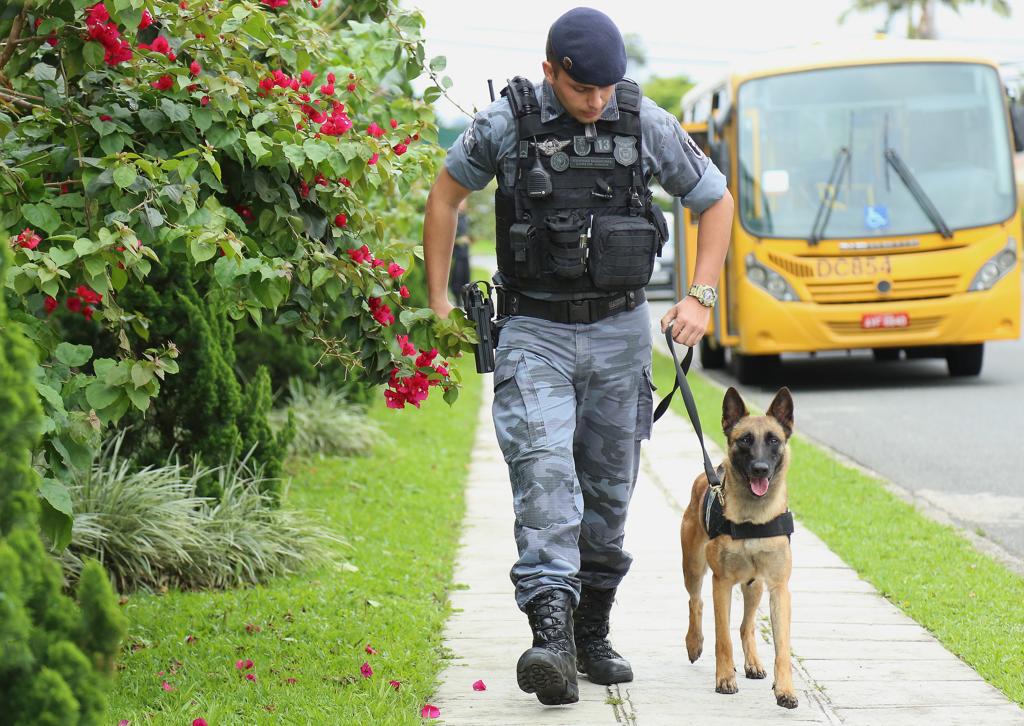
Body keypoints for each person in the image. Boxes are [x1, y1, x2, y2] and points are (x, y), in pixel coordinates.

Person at [422, 6, 733, 706]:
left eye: (605, 89)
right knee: (543, 472)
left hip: (621, 333)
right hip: (533, 329)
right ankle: (552, 640)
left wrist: (701, 296)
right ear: (549, 70)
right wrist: (441, 303)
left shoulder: (641, 120)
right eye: (580, 88)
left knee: (609, 490)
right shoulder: (511, 121)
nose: (595, 102)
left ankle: (593, 632)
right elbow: (445, 197)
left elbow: (714, 202)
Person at [448, 198, 472, 299]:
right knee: (457, 277)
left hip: (465, 253)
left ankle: (464, 298)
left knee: (465, 276)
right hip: (456, 254)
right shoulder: (453, 217)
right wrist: (459, 240)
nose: (463, 204)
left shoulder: (465, 217)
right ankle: (457, 298)